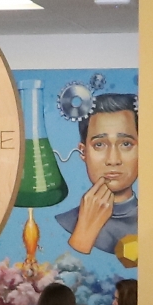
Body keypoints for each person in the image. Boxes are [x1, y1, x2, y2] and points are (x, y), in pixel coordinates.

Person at [57, 90, 141, 266]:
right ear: (83, 152)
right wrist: (84, 232)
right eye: (99, 145)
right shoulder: (65, 222)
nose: (113, 160)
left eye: (126, 144)